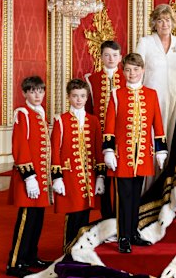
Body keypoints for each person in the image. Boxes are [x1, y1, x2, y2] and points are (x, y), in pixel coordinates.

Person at [103, 53, 168, 253]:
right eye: (128, 70)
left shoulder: (151, 94)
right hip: (121, 156)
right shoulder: (116, 94)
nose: (132, 73)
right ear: (123, 72)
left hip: (142, 157)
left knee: (135, 197)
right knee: (124, 197)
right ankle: (123, 236)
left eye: (136, 69)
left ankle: (133, 233)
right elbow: (110, 125)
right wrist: (108, 151)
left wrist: (161, 150)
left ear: (142, 71)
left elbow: (158, 123)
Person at [6, 76, 53, 277]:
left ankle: (30, 256)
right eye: (32, 91)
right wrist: (29, 176)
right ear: (24, 93)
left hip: (40, 179)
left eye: (40, 91)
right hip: (29, 179)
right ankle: (15, 262)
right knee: (26, 221)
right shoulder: (23, 114)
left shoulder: (39, 114)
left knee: (37, 220)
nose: (37, 95)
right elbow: (20, 146)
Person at [50, 79, 105, 248]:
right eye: (75, 96)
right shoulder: (61, 120)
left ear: (87, 97)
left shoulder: (93, 121)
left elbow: (98, 150)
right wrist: (57, 178)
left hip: (89, 176)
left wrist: (100, 177)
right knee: (73, 212)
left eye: (82, 96)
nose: (79, 100)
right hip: (69, 176)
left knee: (85, 213)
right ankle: (68, 248)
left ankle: (80, 248)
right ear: (69, 97)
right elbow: (55, 150)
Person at [136, 4, 176, 156]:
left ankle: (169, 177)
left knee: (174, 139)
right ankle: (151, 178)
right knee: (152, 140)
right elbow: (136, 71)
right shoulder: (145, 42)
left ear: (173, 22)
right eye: (160, 20)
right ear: (154, 23)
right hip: (151, 98)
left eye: (167, 20)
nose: (164, 24)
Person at [84, 40, 125, 220]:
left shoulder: (127, 77)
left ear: (120, 57)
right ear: (100, 57)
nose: (111, 59)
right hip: (99, 136)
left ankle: (121, 215)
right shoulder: (91, 79)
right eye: (107, 55)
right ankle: (106, 216)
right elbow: (89, 109)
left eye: (115, 55)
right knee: (102, 176)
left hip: (122, 137)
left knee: (120, 177)